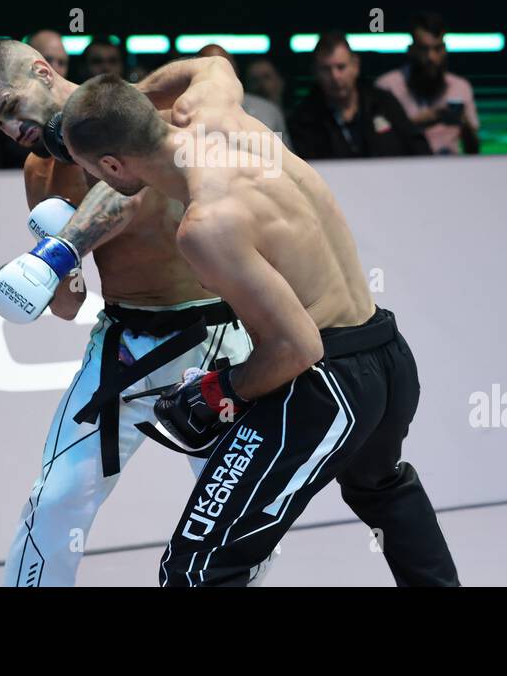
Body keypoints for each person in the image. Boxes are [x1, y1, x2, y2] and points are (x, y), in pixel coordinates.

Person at [59, 58, 460, 587]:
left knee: (196, 570)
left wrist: (217, 390)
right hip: (387, 353)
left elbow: (298, 346)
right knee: (380, 487)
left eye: (91, 171)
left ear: (112, 167)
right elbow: (212, 63)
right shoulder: (226, 116)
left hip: (329, 383)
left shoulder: (204, 226)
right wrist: (123, 96)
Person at [0, 33, 258, 587]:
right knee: (55, 500)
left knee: (238, 512)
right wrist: (49, 259)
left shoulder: (156, 113)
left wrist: (67, 239)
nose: (11, 130)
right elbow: (69, 304)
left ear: (42, 71)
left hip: (220, 335)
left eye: (10, 109)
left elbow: (215, 66)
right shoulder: (41, 170)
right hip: (126, 343)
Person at [288, 32, 428, 159]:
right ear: (316, 72)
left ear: (355, 66)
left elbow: (419, 151)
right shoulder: (304, 119)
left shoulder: (383, 103)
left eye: (341, 67)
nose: (335, 76)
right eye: (326, 69)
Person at [375, 12, 481, 155]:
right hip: (402, 171)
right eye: (424, 49)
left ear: (445, 49)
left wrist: (465, 125)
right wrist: (417, 122)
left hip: (451, 171)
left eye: (437, 49)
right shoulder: (387, 87)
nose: (431, 57)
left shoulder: (461, 87)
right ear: (411, 49)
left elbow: (474, 151)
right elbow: (376, 144)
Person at [195, 44, 291, 149]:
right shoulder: (183, 115)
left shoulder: (268, 111)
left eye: (224, 67)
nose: (217, 74)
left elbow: (288, 161)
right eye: (209, 68)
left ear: (235, 70)